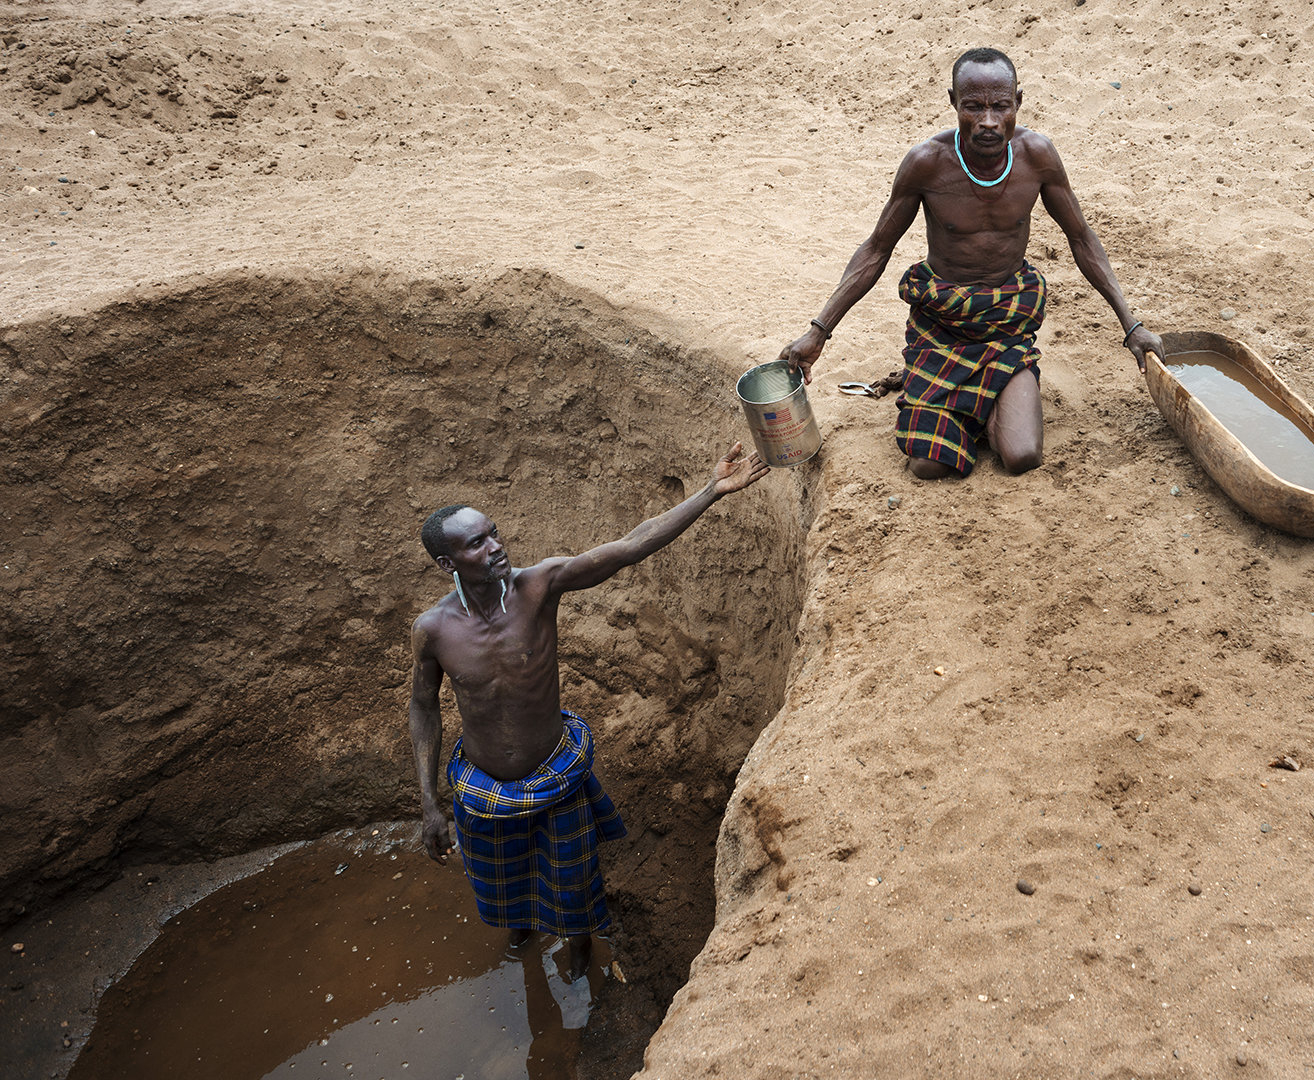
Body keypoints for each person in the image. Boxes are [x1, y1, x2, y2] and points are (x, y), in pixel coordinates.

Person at [407, 442, 769, 981]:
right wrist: (429, 803)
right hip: (484, 785)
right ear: (446, 563)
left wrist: (710, 492)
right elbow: (423, 708)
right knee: (504, 879)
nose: (495, 548)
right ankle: (523, 932)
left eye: (494, 534)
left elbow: (628, 547)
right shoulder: (434, 629)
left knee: (572, 880)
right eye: (476, 544)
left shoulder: (539, 586)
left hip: (554, 772)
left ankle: (580, 957)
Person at [778, 46, 1164, 480]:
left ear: (1018, 100)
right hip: (943, 325)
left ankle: (986, 395)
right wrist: (819, 331)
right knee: (928, 465)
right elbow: (876, 248)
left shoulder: (1038, 157)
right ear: (952, 102)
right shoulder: (927, 163)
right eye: (973, 106)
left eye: (1000, 106)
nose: (988, 121)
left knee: (1022, 456)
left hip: (1006, 322)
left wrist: (1131, 324)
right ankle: (946, 389)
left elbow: (1081, 238)